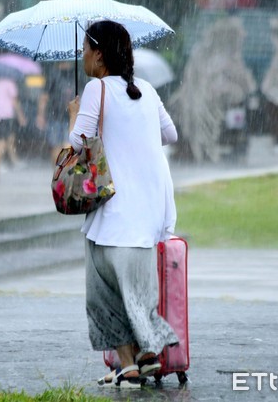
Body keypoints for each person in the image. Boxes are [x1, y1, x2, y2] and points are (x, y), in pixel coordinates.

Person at [67, 20, 179, 390]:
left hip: (113, 215)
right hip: (149, 215)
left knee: (106, 296)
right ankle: (141, 359)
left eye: (86, 49)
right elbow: (170, 134)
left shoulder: (96, 88)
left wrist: (75, 113)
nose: (82, 55)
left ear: (99, 54)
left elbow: (78, 142)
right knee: (137, 295)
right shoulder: (145, 89)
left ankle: (135, 359)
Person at [0, 77, 26, 168]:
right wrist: (20, 115)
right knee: (2, 141)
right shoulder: (10, 83)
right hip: (6, 115)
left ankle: (14, 160)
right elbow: (15, 101)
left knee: (10, 138)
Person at [45, 61, 75, 162]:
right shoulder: (75, 74)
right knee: (62, 144)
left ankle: (58, 172)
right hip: (62, 116)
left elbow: (44, 96)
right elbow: (44, 96)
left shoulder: (53, 74)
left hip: (61, 115)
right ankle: (61, 171)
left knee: (60, 145)